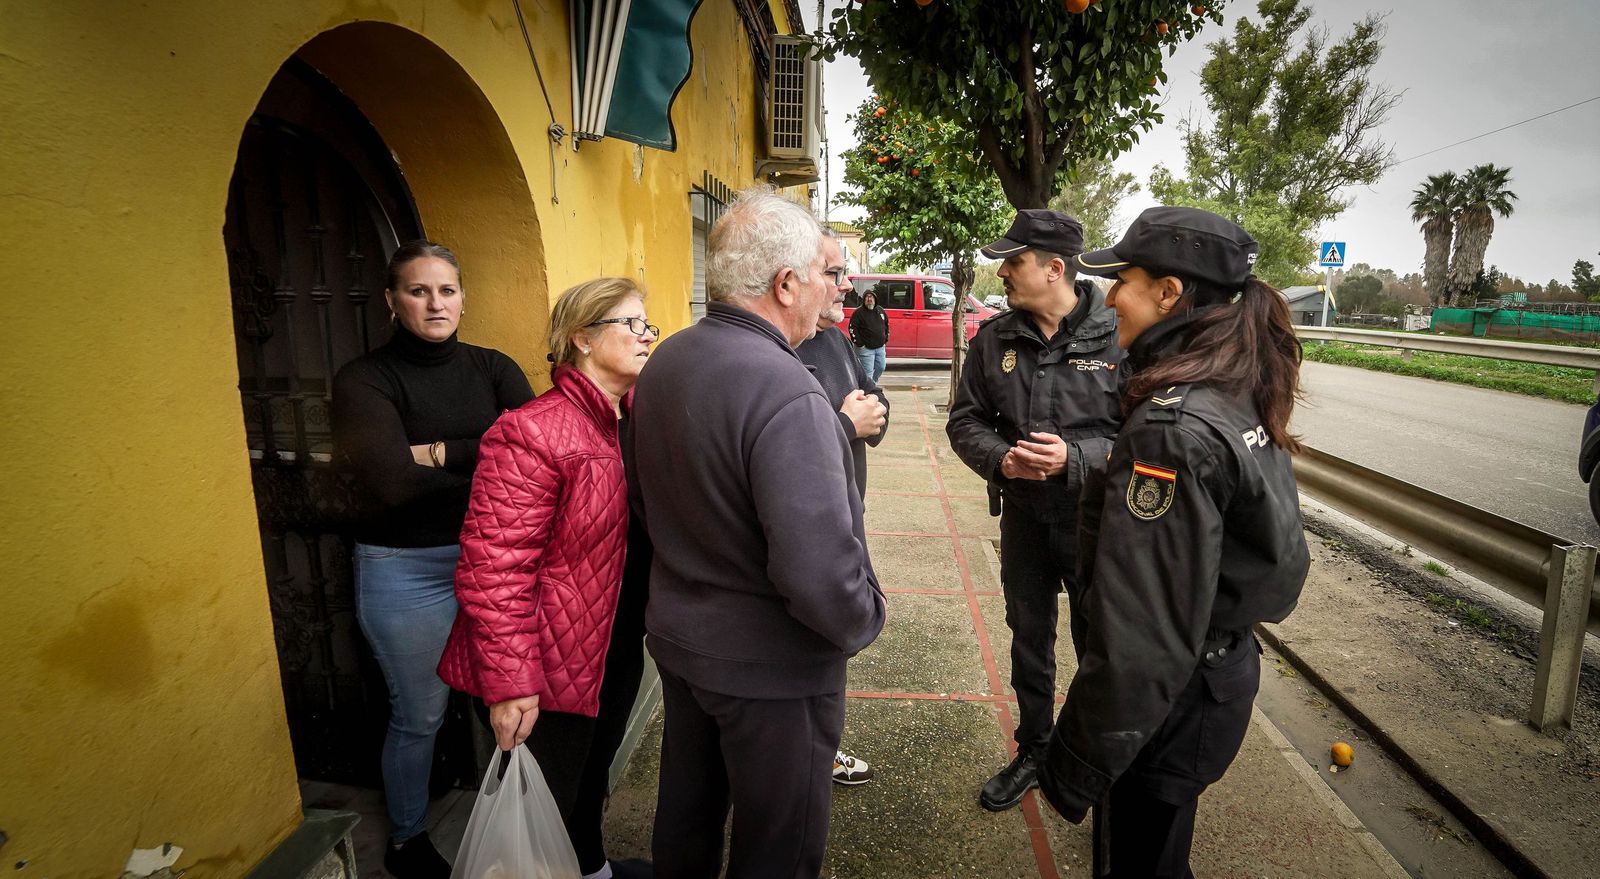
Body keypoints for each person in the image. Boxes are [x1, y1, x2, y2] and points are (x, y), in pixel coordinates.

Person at [1037, 207, 1311, 878]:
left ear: (1169, 293)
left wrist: (1073, 760)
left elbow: (1143, 636)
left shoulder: (1175, 425)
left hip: (1172, 696)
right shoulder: (1227, 384)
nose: (1108, 296)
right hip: (1209, 678)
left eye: (1123, 279)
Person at [630, 188, 886, 878]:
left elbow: (650, 507)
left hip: (685, 646)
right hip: (772, 671)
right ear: (785, 282)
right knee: (777, 846)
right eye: (821, 276)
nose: (828, 294)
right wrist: (864, 618)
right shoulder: (788, 390)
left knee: (686, 820)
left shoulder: (667, 361)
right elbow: (819, 573)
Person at [437, 277, 656, 879]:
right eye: (631, 324)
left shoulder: (634, 422)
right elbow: (494, 568)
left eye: (648, 325)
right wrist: (511, 683)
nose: (646, 337)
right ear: (582, 339)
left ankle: (590, 868)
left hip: (614, 644)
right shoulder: (532, 432)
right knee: (541, 808)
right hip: (550, 663)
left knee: (590, 784)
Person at [331, 240, 534, 879]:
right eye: (418, 291)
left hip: (495, 560)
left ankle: (520, 820)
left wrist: (436, 451)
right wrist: (486, 461)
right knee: (419, 713)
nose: (435, 302)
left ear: (463, 298)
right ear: (393, 302)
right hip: (404, 567)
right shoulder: (364, 379)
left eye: (446, 290)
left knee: (509, 696)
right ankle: (408, 838)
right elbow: (389, 483)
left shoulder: (492, 367)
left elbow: (535, 457)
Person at [946, 209, 1126, 812]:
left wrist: (1075, 457)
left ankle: (1088, 760)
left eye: (1013, 260)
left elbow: (1151, 438)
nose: (1002, 271)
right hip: (1025, 518)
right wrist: (1003, 460)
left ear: (1055, 269)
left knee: (1096, 641)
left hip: (1095, 523)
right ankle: (1035, 749)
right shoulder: (995, 337)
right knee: (1030, 636)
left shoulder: (1120, 333)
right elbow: (964, 420)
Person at [796, 232, 890, 786]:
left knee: (829, 652)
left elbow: (873, 399)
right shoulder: (777, 351)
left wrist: (865, 416)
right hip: (808, 533)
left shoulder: (834, 339)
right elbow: (778, 453)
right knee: (813, 641)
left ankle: (819, 743)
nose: (848, 283)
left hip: (846, 517)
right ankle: (807, 751)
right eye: (835, 272)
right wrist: (843, 423)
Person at [848, 289, 889, 382]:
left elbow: (886, 324)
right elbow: (852, 328)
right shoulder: (858, 313)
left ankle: (872, 384)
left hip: (880, 348)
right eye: (867, 297)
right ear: (864, 300)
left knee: (881, 367)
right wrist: (859, 343)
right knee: (868, 372)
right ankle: (868, 390)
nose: (869, 299)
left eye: (871, 297)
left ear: (875, 299)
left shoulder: (880, 310)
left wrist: (885, 338)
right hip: (865, 349)